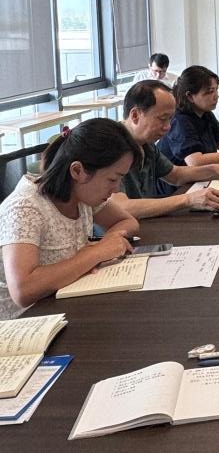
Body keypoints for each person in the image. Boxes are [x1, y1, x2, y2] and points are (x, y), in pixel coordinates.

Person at [0, 118, 140, 318]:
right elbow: (23, 290)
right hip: (24, 322)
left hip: (63, 305)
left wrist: (108, 242)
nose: (116, 189)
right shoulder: (25, 207)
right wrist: (97, 253)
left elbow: (127, 222)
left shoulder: (82, 196)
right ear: (77, 171)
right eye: (112, 179)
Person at [112, 80, 219, 218]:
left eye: (170, 119)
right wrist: (188, 200)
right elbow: (121, 207)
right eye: (162, 118)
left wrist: (213, 169)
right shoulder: (110, 146)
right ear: (135, 115)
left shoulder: (146, 144)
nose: (168, 127)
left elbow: (175, 175)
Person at [157, 66, 219, 177]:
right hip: (179, 183)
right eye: (210, 92)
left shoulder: (205, 113)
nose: (216, 96)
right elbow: (195, 161)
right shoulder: (180, 121)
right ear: (190, 96)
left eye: (216, 90)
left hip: (200, 177)